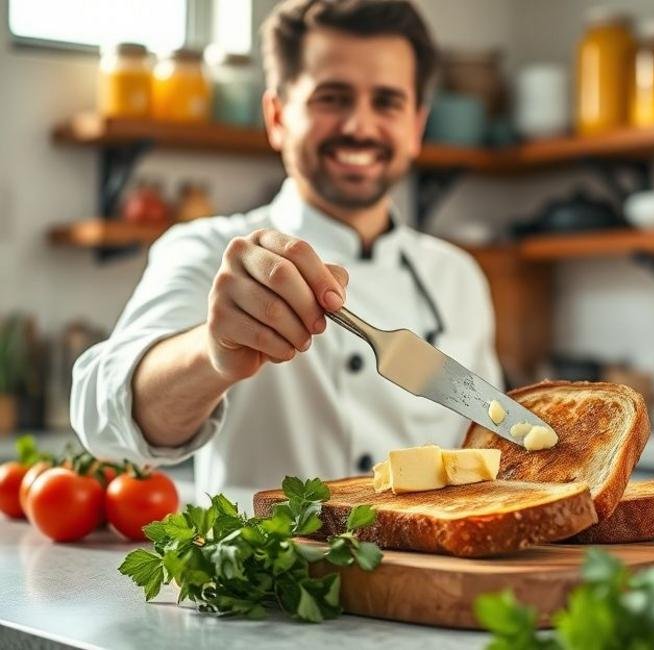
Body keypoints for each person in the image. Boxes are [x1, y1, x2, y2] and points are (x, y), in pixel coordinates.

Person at [70, 0, 501, 497]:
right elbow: (104, 424)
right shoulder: (207, 250)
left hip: (428, 550)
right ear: (276, 116)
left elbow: (489, 446)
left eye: (387, 102)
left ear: (416, 127)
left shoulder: (458, 276)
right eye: (332, 98)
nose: (360, 126)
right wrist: (211, 352)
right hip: (263, 549)